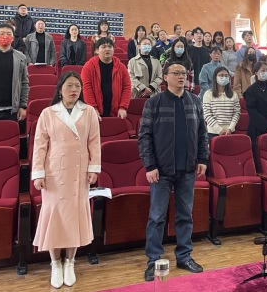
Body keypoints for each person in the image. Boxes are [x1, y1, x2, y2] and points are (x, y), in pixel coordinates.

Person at [138, 62, 208, 282]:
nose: (181, 77)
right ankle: (153, 260)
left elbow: (202, 133)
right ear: (165, 77)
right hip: (161, 170)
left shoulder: (195, 101)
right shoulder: (154, 103)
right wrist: (150, 166)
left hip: (187, 169)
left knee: (185, 215)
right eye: (176, 73)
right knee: (157, 217)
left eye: (183, 73)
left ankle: (184, 256)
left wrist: (203, 159)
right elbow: (144, 137)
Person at [31, 71, 100, 288]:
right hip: (54, 173)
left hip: (79, 174)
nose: (74, 90)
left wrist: (94, 168)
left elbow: (94, 142)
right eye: (69, 85)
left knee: (74, 217)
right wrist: (38, 173)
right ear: (60, 89)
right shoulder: (48, 113)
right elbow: (39, 146)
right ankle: (55, 263)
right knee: (55, 217)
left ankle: (70, 262)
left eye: (77, 86)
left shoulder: (88, 112)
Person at [81, 37, 131, 120]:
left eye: (110, 47)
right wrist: (93, 108)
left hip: (116, 111)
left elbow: (127, 87)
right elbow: (86, 88)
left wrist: (123, 107)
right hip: (95, 110)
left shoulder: (121, 67)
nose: (107, 49)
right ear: (97, 50)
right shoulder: (88, 67)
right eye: (103, 47)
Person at [202, 66, 240, 141]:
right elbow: (207, 114)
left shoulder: (234, 94)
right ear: (215, 78)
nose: (224, 77)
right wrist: (219, 129)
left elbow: (236, 113)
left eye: (226, 76)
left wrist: (230, 128)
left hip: (230, 132)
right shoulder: (208, 94)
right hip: (213, 132)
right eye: (221, 75)